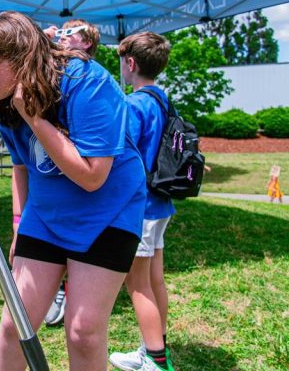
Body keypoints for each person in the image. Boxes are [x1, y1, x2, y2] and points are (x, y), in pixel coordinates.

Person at [0, 11, 146, 371]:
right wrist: (20, 223)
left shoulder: (87, 81)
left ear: (21, 58)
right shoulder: (4, 99)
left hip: (108, 213)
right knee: (14, 326)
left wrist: (34, 117)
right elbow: (21, 168)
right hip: (46, 215)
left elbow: (92, 176)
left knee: (83, 332)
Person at [109, 31, 176, 371]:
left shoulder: (134, 104)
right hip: (162, 203)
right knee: (154, 280)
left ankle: (155, 359)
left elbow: (121, 155)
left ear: (130, 63)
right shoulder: (162, 99)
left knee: (137, 284)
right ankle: (152, 347)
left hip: (142, 207)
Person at [41, 18, 102, 328]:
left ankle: (68, 290)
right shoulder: (57, 71)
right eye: (61, 31)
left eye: (71, 32)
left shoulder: (88, 76)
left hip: (82, 174)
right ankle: (60, 289)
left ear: (87, 42)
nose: (63, 36)